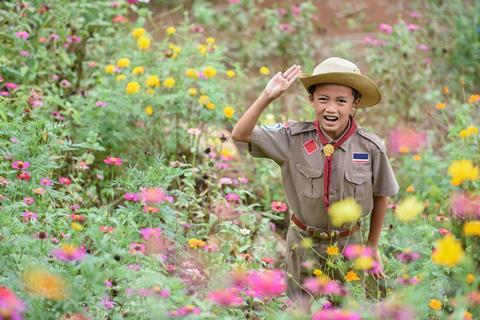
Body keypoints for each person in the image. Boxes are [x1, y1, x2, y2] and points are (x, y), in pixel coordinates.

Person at [231, 57, 399, 303]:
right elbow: (240, 134)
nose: (331, 108)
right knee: (301, 308)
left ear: (355, 104)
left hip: (349, 244)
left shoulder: (370, 146)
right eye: (323, 99)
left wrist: (372, 245)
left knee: (347, 308)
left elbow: (380, 194)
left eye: (341, 101)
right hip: (303, 244)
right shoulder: (292, 139)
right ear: (311, 100)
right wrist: (267, 96)